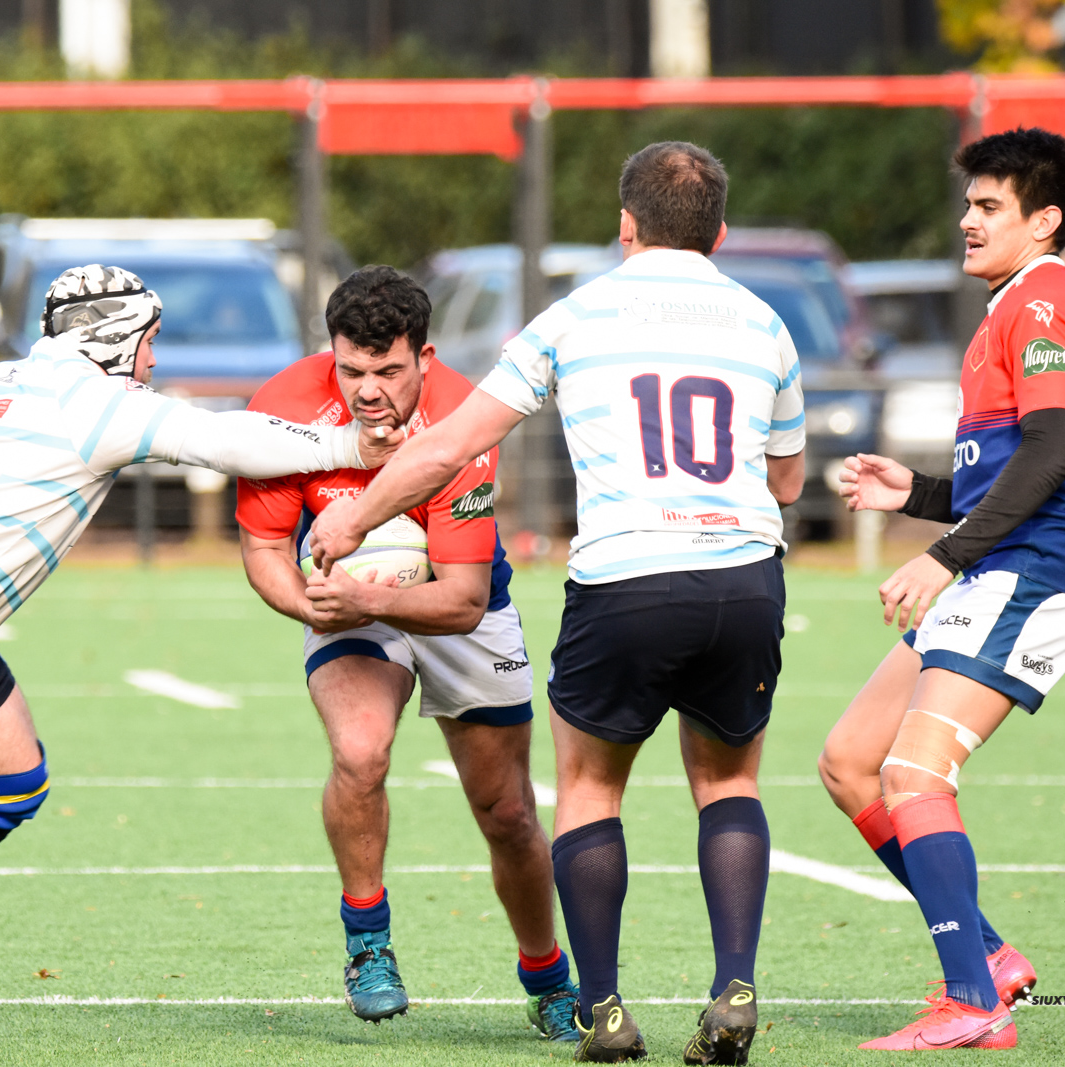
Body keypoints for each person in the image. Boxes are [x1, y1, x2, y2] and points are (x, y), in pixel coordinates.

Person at [0, 265, 402, 1040]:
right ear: (116, 339)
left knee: (11, 779)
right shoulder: (98, 406)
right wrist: (350, 445)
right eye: (150, 341)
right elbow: (224, 438)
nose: (153, 359)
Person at [306, 143, 805, 1065]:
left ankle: (604, 1009)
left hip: (625, 576)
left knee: (588, 789)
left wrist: (354, 516)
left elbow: (445, 447)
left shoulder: (576, 317)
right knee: (729, 784)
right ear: (720, 234)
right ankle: (735, 986)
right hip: (744, 575)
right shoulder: (766, 323)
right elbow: (787, 480)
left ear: (625, 225)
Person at [819, 128, 1065, 1051]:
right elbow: (1016, 466)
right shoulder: (1016, 302)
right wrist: (916, 493)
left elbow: (1052, 455)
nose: (967, 220)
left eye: (989, 206)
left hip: (1030, 574)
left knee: (914, 774)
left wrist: (941, 555)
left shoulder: (1045, 301)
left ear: (1044, 220)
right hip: (998, 566)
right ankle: (988, 957)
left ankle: (971, 1000)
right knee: (850, 760)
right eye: (970, 202)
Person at [235, 266, 579, 1039]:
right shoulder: (286, 403)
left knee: (508, 811)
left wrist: (367, 599)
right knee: (360, 752)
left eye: (388, 371)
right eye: (351, 369)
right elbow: (263, 549)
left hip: (459, 603)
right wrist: (313, 606)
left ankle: (548, 976)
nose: (368, 390)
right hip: (348, 600)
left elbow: (462, 600)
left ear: (424, 355)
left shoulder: (462, 417)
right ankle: (368, 944)